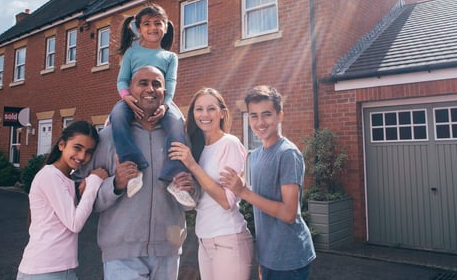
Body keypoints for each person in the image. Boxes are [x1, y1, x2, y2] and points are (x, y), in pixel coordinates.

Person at [74, 65, 199, 280]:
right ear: (129, 91)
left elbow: (192, 197)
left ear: (165, 92)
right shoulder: (108, 137)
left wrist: (192, 189)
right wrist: (116, 184)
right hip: (121, 255)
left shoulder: (179, 138)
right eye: (143, 83)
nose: (150, 89)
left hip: (167, 253)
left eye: (156, 84)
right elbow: (80, 191)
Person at [220, 85, 316, 280]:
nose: (260, 122)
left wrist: (244, 191)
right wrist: (263, 260)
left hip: (290, 259)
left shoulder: (287, 154)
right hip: (269, 258)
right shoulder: (254, 157)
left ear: (280, 116)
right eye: (253, 116)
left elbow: (289, 214)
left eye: (266, 114)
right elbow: (260, 209)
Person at [110, 4, 195, 207]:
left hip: (162, 101)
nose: (153, 28)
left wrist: (166, 105)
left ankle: (174, 174)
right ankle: (133, 170)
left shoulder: (170, 57)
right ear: (138, 28)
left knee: (176, 123)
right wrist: (126, 97)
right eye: (147, 24)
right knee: (117, 115)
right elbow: (122, 80)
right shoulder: (132, 53)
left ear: (166, 27)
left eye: (158, 23)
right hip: (132, 99)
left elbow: (171, 82)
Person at [168, 87, 253, 280]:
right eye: (199, 109)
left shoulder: (229, 144)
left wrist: (192, 166)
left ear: (222, 113)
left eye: (211, 108)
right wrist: (189, 186)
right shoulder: (198, 148)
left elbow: (226, 201)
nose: (204, 114)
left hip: (229, 240)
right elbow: (202, 200)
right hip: (204, 238)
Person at [17, 120, 108, 280]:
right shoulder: (50, 176)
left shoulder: (65, 178)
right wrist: (94, 181)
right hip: (44, 270)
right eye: (77, 148)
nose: (82, 156)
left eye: (89, 152)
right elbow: (74, 223)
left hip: (58, 270)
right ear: (61, 145)